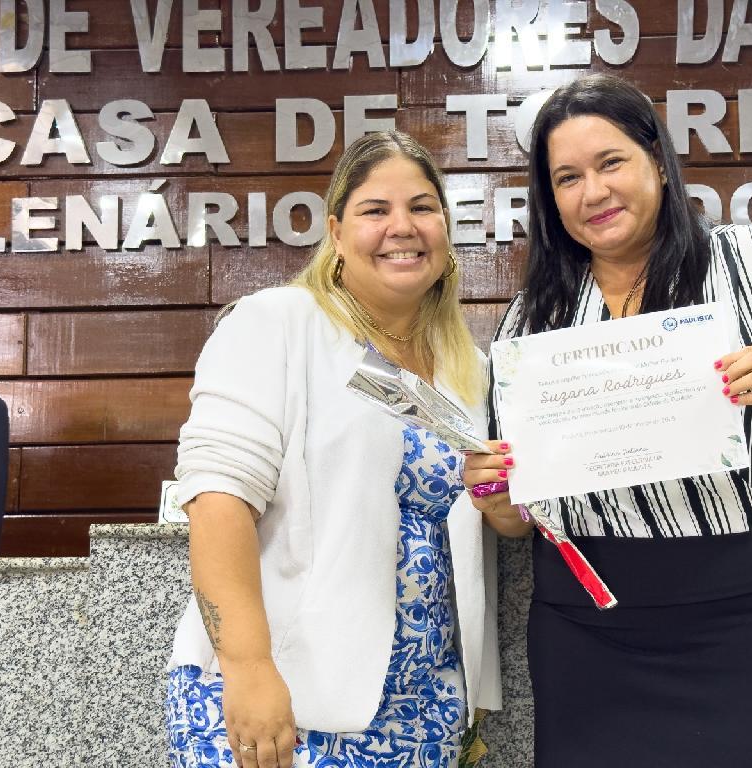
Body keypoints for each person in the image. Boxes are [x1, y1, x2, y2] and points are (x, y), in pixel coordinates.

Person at [463, 74, 752, 767]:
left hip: (750, 617)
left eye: (611, 162)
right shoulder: (534, 319)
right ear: (550, 200)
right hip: (587, 629)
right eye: (567, 178)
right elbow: (521, 517)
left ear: (659, 162)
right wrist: (495, 497)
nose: (593, 192)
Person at [164, 131, 501, 768]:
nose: (403, 227)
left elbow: (490, 512)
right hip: (285, 695)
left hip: (422, 707)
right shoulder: (277, 323)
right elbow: (216, 500)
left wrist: (501, 494)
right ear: (337, 233)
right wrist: (249, 668)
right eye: (376, 210)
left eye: (422, 207)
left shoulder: (470, 369)